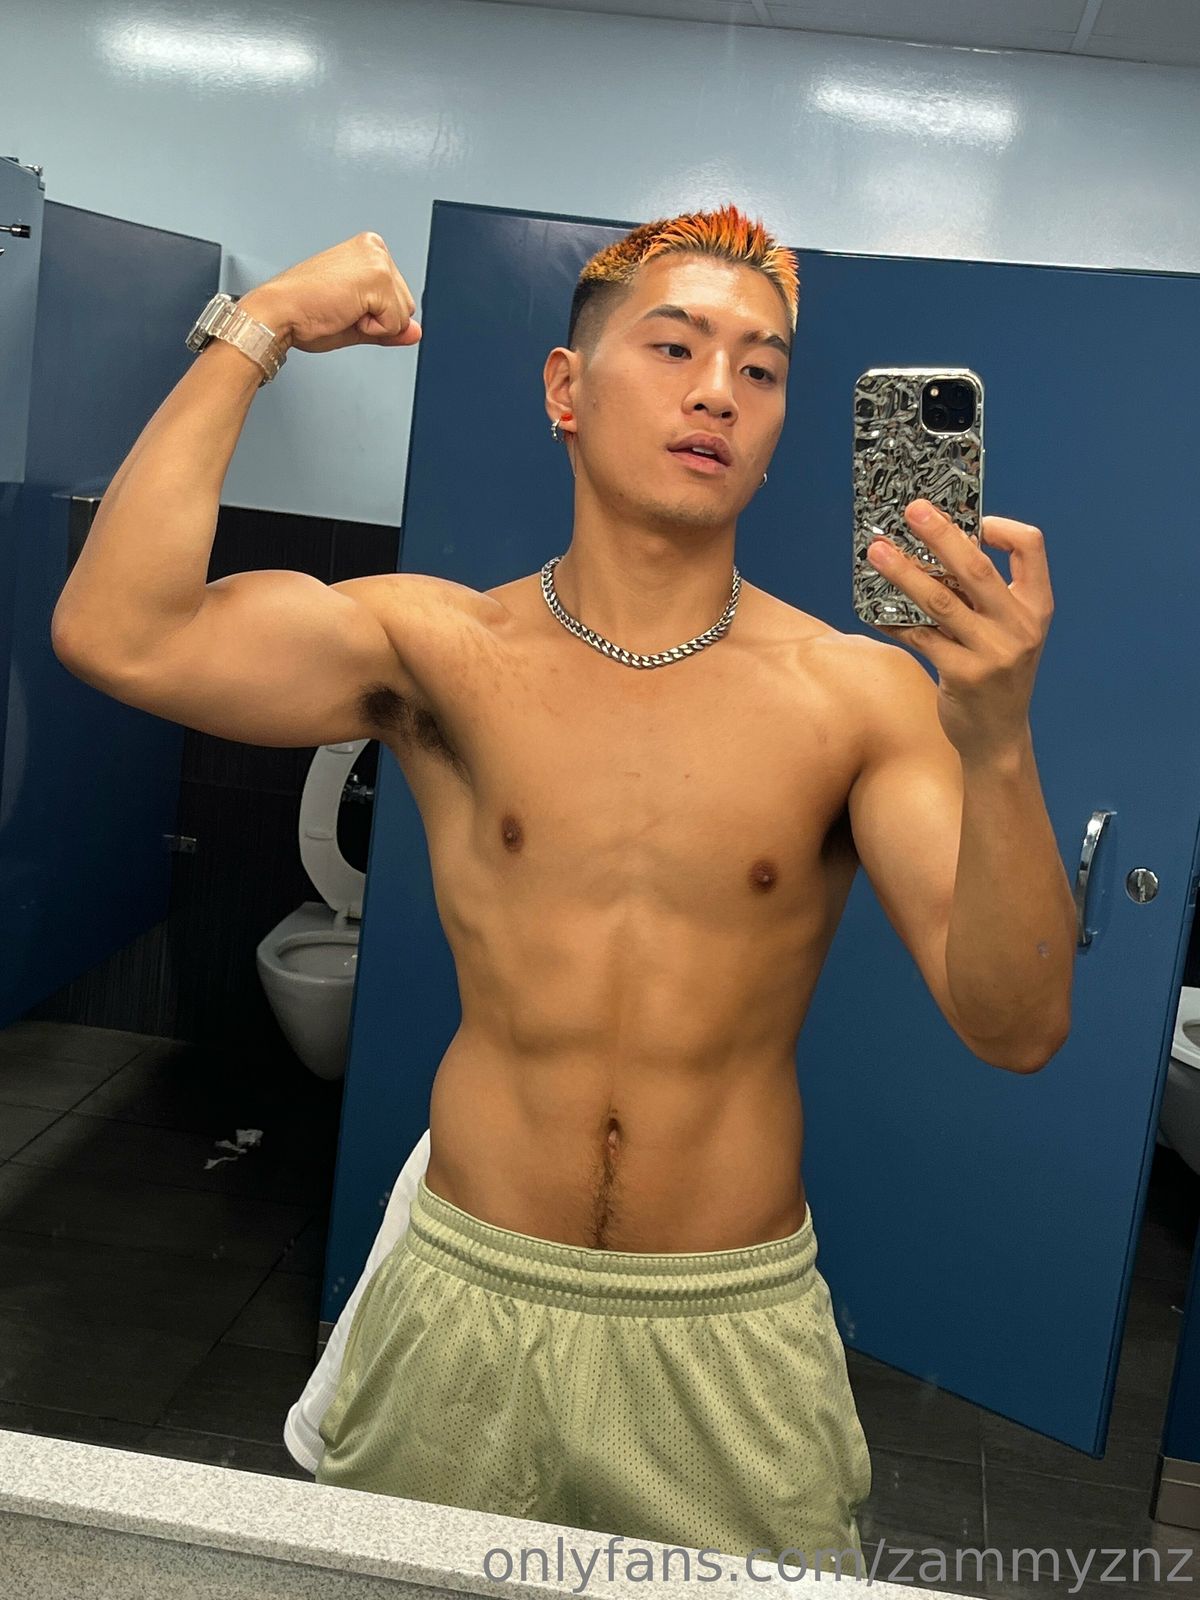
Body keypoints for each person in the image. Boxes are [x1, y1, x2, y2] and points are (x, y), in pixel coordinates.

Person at [51, 204, 1075, 1572]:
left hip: (729, 1329)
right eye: (675, 346)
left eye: (762, 368)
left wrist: (998, 743)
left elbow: (1017, 1026)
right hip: (468, 1298)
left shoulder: (858, 695)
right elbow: (117, 632)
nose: (719, 390)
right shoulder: (439, 649)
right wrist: (264, 324)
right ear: (566, 389)